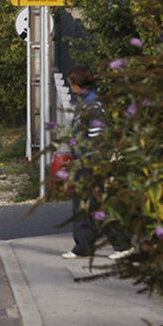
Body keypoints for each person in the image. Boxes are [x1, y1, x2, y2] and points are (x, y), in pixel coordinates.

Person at [61, 64, 133, 260]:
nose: (69, 85)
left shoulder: (92, 106)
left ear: (77, 83)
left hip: (91, 163)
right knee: (82, 206)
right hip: (83, 163)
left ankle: (123, 244)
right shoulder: (84, 103)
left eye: (71, 81)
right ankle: (82, 246)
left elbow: (97, 137)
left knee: (97, 205)